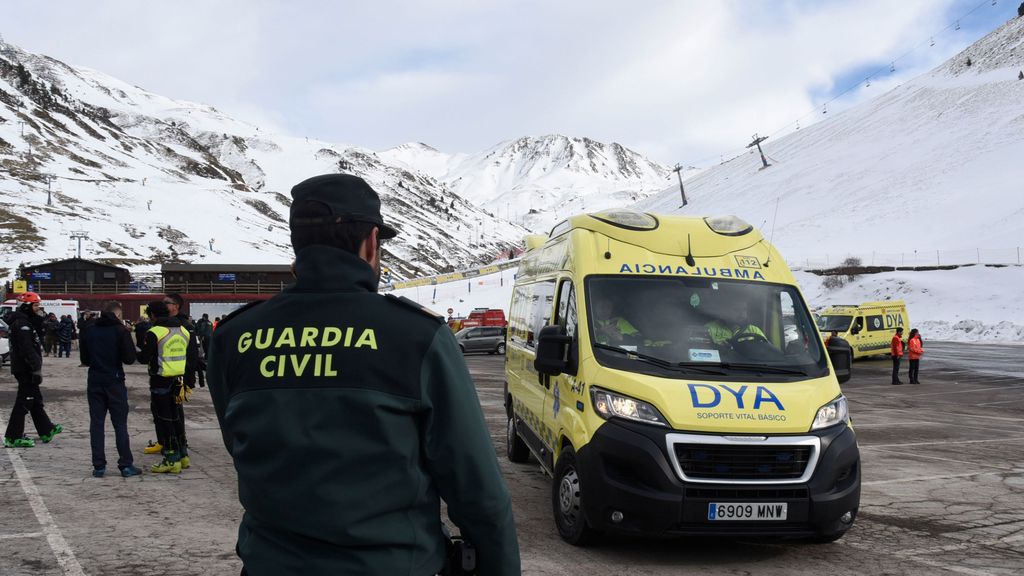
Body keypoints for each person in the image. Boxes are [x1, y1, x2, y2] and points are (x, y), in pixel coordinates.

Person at [207, 173, 520, 575]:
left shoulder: (235, 336)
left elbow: (242, 449)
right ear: (372, 242)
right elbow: (476, 488)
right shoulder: (416, 336)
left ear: (297, 244)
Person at [80, 301, 141, 478]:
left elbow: (85, 358)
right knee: (120, 424)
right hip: (114, 380)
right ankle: (125, 464)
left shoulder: (89, 330)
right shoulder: (120, 331)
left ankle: (98, 466)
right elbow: (129, 359)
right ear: (118, 315)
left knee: (97, 424)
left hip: (95, 380)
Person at [137, 300, 197, 473]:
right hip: (178, 380)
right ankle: (183, 455)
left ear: (152, 315)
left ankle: (171, 458)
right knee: (176, 417)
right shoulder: (183, 330)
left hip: (161, 379)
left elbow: (144, 358)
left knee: (165, 419)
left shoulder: (155, 332)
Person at [3, 292, 62, 448]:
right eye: (35, 305)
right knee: (25, 401)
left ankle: (46, 429)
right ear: (26, 307)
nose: (38, 309)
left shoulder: (25, 322)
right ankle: (13, 437)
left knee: (35, 399)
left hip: (25, 368)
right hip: (26, 369)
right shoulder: (22, 324)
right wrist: (35, 369)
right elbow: (27, 349)